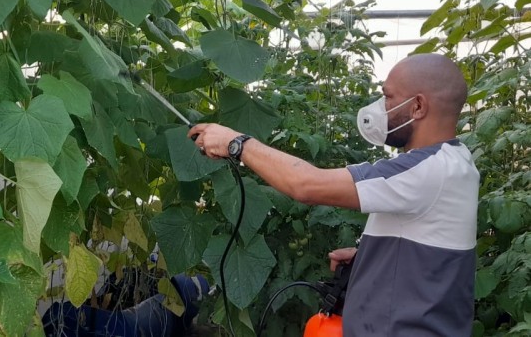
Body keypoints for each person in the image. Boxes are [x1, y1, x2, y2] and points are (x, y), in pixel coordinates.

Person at [188, 53, 479, 336]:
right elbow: (430, 247)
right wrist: (369, 258)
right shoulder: (454, 161)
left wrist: (236, 143)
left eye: (388, 97)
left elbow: (306, 186)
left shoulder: (426, 169)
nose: (380, 107)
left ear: (417, 107)